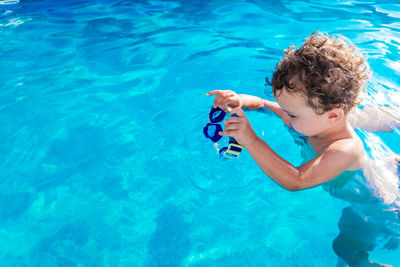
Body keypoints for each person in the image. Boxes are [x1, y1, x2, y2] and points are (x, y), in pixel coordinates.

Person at [206, 31, 400, 267]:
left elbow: (297, 180)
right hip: (369, 177)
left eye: (291, 113)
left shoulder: (345, 149)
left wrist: (252, 141)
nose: (283, 115)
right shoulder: (310, 120)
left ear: (333, 116)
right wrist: (242, 101)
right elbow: (266, 104)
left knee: (345, 248)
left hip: (374, 207)